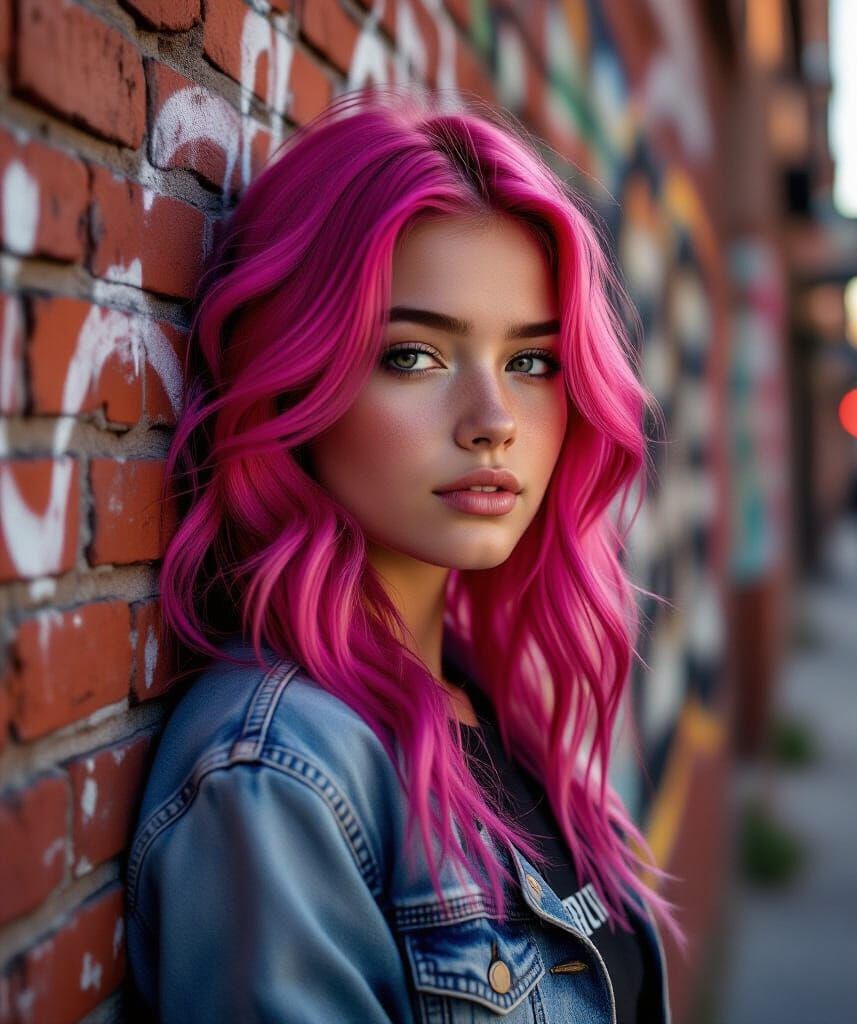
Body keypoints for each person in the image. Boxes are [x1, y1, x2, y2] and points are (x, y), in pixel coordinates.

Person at [125, 84, 683, 1023]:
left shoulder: (486, 703)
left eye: (532, 362)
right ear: (302, 374)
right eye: (415, 356)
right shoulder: (275, 778)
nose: (494, 422)